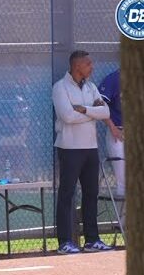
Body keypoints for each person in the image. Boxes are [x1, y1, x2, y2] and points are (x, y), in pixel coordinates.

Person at [52, 50, 114, 254]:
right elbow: (67, 116)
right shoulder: (60, 88)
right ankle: (64, 242)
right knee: (67, 194)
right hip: (69, 149)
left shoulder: (91, 87)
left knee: (91, 194)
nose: (91, 67)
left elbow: (105, 112)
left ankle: (92, 240)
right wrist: (92, 112)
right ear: (77, 66)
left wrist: (84, 109)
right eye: (88, 64)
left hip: (91, 149)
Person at [98, 69, 125, 198]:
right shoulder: (114, 78)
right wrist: (113, 127)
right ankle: (125, 218)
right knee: (124, 183)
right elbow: (99, 105)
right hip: (119, 134)